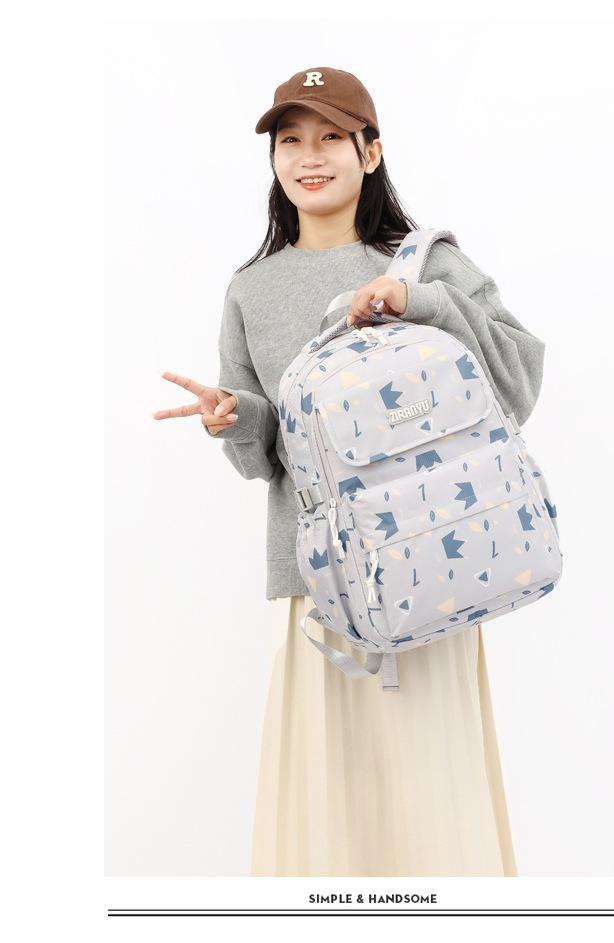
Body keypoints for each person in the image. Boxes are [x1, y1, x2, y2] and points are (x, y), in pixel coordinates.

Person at [154, 67, 546, 877]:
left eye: (331, 136)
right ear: (273, 159)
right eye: (291, 140)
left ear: (371, 151)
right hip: (316, 579)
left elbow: (516, 383)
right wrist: (236, 415)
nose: (310, 156)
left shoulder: (429, 263)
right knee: (322, 808)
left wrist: (419, 301)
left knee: (433, 796)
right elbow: (267, 457)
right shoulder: (250, 290)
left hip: (430, 565)